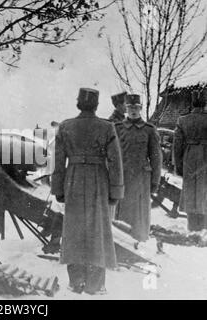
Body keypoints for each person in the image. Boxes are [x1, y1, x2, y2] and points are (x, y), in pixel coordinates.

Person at [51, 88, 124, 295]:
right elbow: (116, 163)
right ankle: (95, 284)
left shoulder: (65, 127)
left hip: (73, 180)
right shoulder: (107, 127)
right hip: (98, 181)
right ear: (96, 105)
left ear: (78, 104)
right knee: (97, 230)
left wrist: (58, 188)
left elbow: (57, 162)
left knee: (73, 230)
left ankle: (76, 282)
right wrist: (116, 191)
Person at [115, 94, 162, 244]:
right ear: (125, 109)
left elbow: (156, 158)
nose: (133, 111)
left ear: (141, 108)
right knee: (121, 211)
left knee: (139, 213)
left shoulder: (149, 130)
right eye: (130, 108)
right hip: (123, 177)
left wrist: (155, 181)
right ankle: (121, 242)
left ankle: (140, 241)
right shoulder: (117, 128)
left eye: (136, 107)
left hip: (141, 179)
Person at [173, 89, 207, 231]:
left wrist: (178, 165)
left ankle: (192, 227)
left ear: (192, 103)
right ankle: (204, 229)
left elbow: (177, 146)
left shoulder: (182, 120)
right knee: (204, 192)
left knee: (190, 191)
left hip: (189, 157)